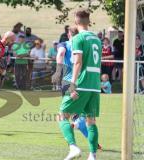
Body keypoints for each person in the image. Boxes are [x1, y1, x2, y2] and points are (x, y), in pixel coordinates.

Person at [56, 9, 102, 160]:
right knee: (91, 121)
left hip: (81, 84)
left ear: (76, 22)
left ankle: (73, 147)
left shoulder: (78, 38)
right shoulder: (97, 39)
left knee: (62, 116)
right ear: (89, 21)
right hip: (95, 85)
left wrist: (72, 84)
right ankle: (92, 156)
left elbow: (77, 62)